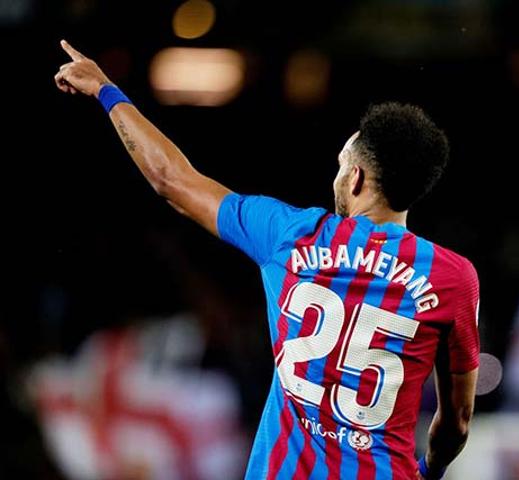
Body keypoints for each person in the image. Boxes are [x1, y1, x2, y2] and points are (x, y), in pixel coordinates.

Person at [54, 39, 480, 480]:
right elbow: (457, 422)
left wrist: (105, 90)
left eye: (341, 164)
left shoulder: (291, 235)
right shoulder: (452, 278)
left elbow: (171, 179)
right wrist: (429, 470)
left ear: (355, 177)